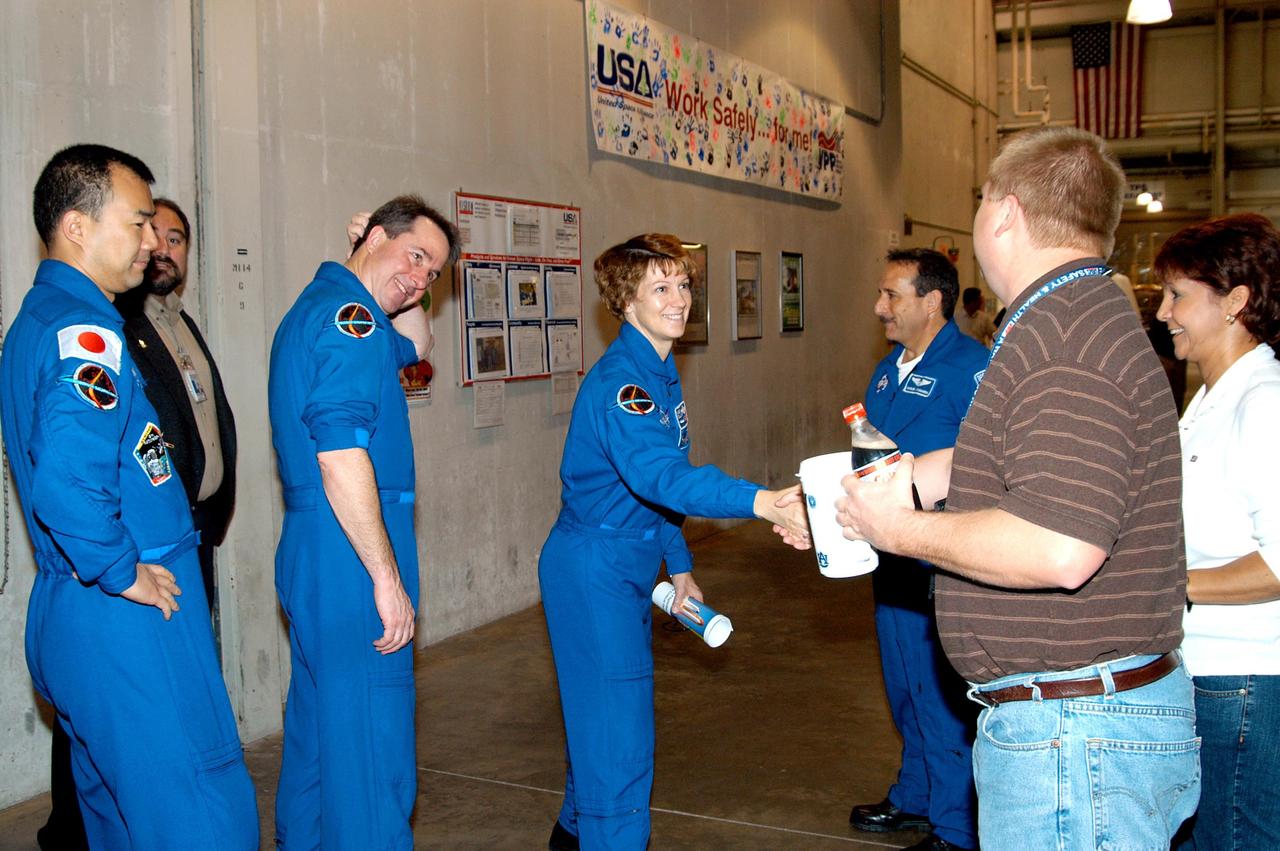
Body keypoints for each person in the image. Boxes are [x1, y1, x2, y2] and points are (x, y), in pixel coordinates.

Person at [834, 126, 1198, 849]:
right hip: (1075, 730)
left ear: (1003, 213)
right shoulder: (1066, 319)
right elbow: (993, 459)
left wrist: (896, 530)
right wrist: (886, 486)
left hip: (1076, 740)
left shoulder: (1064, 337)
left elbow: (1061, 547)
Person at [1, 143, 257, 850]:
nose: (153, 241)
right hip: (123, 611)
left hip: (76, 607)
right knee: (201, 816)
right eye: (139, 221)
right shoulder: (86, 335)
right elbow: (67, 483)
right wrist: (122, 571)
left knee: (118, 820)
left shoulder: (42, 320)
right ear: (77, 227)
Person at [539, 233, 811, 851]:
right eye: (660, 288)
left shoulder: (658, 372)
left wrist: (679, 564)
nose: (679, 299)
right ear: (625, 303)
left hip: (630, 559)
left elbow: (657, 489)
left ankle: (573, 834)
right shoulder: (623, 386)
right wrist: (761, 502)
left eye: (683, 284)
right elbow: (663, 477)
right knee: (620, 738)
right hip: (596, 567)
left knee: (604, 722)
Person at [269, 194, 455, 849]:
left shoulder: (329, 310)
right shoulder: (352, 317)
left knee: (322, 740)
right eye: (416, 257)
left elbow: (421, 341)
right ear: (374, 233)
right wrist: (384, 575)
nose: (423, 279)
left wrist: (398, 276)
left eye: (435, 274)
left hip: (317, 546)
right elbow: (341, 453)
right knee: (374, 758)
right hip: (349, 549)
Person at [847, 249, 986, 851]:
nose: (880, 307)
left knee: (941, 694)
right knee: (904, 684)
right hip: (890, 555)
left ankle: (955, 828)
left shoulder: (974, 367)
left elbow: (988, 464)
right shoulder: (886, 371)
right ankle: (917, 794)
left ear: (932, 301)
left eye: (892, 295)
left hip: (941, 555)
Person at [1154, 214, 1280, 850]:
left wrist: (1169, 584)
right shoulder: (1209, 397)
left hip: (1248, 683)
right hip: (1205, 670)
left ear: (1236, 301)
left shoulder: (1265, 403)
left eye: (1179, 295)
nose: (1163, 312)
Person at [117, 198, 237, 611]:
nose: (165, 250)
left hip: (199, 524)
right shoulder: (120, 326)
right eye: (156, 237)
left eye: (177, 239)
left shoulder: (182, 322)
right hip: (157, 532)